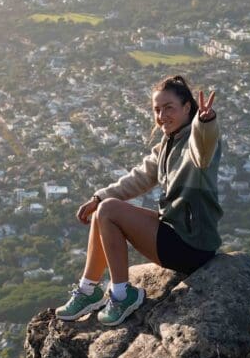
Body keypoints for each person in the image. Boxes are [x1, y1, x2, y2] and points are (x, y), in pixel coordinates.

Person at [56, 75, 222, 327]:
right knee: (104, 208)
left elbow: (204, 147)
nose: (162, 115)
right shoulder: (167, 144)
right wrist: (97, 197)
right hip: (174, 232)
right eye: (157, 109)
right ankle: (88, 290)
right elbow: (138, 178)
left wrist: (206, 122)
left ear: (187, 107)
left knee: (109, 210)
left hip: (191, 246)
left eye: (169, 108)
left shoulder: (195, 141)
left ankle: (122, 295)